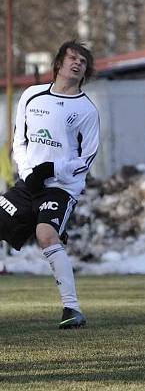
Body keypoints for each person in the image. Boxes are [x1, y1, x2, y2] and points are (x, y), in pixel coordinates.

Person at [0, 40, 100, 328]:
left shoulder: (86, 110)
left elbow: (87, 157)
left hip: (61, 187)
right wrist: (29, 172)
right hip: (28, 183)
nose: (77, 63)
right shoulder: (31, 96)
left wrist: (51, 169)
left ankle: (72, 310)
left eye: (82, 61)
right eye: (72, 57)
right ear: (58, 63)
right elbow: (19, 141)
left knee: (46, 235)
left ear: (85, 71)